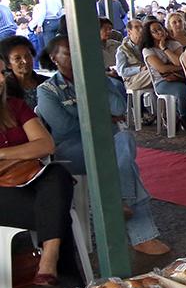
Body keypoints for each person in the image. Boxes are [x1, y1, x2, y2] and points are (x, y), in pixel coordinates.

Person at [37, 35, 170, 256]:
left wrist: (94, 81)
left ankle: (119, 201)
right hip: (72, 150)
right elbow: (63, 128)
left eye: (78, 53)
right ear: (55, 58)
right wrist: (100, 118)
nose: (76, 58)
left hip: (107, 143)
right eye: (69, 53)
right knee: (127, 163)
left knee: (125, 138)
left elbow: (118, 108)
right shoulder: (48, 90)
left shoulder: (97, 79)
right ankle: (141, 234)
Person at [0, 78, 80, 286]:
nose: (2, 79)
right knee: (56, 211)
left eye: (2, 72)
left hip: (29, 180)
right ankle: (71, 287)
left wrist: (3, 154)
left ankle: (49, 259)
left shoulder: (14, 106)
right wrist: (24, 153)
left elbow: (46, 145)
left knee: (57, 173)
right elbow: (34, 147)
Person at [142, 18, 186, 133]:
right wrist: (180, 67)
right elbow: (161, 68)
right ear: (149, 35)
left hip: (181, 77)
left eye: (160, 29)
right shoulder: (148, 50)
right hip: (162, 81)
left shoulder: (174, 44)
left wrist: (164, 48)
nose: (159, 32)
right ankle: (184, 117)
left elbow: (178, 62)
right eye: (155, 31)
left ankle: (180, 114)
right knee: (183, 91)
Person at [1, 35, 48, 110]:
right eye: (17, 58)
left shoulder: (47, 82)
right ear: (8, 64)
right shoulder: (5, 89)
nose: (25, 61)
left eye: (28, 56)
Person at [116, 18, 154, 94]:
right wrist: (140, 69)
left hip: (147, 75)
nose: (140, 29)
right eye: (136, 27)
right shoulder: (122, 49)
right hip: (132, 80)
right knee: (156, 72)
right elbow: (121, 71)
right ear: (129, 32)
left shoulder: (148, 45)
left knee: (158, 72)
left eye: (142, 27)